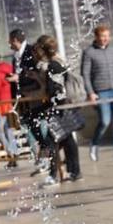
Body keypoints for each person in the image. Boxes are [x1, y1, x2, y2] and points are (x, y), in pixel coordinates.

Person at [81, 24, 113, 162]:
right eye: (103, 36)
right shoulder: (89, 52)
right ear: (96, 37)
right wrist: (90, 92)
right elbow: (85, 74)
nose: (105, 39)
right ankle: (94, 144)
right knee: (104, 121)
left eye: (107, 36)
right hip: (101, 91)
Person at [34, 35, 81, 184]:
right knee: (67, 139)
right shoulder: (59, 61)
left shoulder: (53, 66)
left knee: (50, 140)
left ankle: (54, 175)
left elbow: (55, 89)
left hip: (60, 108)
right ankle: (74, 172)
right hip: (65, 106)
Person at [9, 29, 44, 169]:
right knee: (27, 128)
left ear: (15, 40)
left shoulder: (31, 51)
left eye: (10, 40)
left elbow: (37, 72)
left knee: (39, 127)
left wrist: (20, 77)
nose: (8, 43)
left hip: (34, 96)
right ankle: (39, 158)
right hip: (22, 98)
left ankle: (45, 157)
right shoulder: (15, 56)